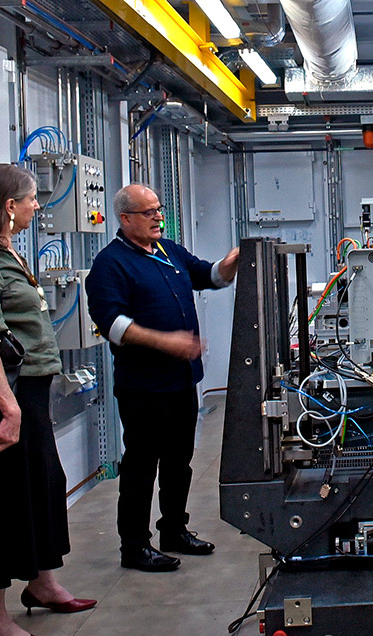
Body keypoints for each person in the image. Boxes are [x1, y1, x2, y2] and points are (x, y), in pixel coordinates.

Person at [0, 164, 96, 636]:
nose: (39, 206)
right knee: (5, 500)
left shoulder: (4, 250)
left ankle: (42, 581)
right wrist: (8, 406)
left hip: (31, 391)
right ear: (6, 206)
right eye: (32, 198)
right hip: (4, 398)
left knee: (44, 486)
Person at [86, 183, 238, 572]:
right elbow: (113, 324)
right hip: (144, 387)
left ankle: (174, 529)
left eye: (159, 209)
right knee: (140, 467)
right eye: (149, 212)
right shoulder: (111, 264)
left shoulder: (169, 252)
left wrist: (231, 262)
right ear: (125, 219)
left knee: (178, 461)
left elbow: (208, 276)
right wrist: (164, 341)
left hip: (182, 381)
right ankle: (134, 547)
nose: (159, 217)